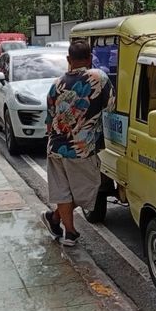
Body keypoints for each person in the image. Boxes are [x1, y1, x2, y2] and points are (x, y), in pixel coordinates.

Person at [40, 40, 115, 246]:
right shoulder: (99, 78)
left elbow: (50, 118)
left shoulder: (56, 84)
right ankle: (67, 229)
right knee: (89, 189)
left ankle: (62, 225)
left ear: (68, 60)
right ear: (90, 58)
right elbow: (110, 107)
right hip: (81, 148)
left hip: (55, 146)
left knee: (63, 191)